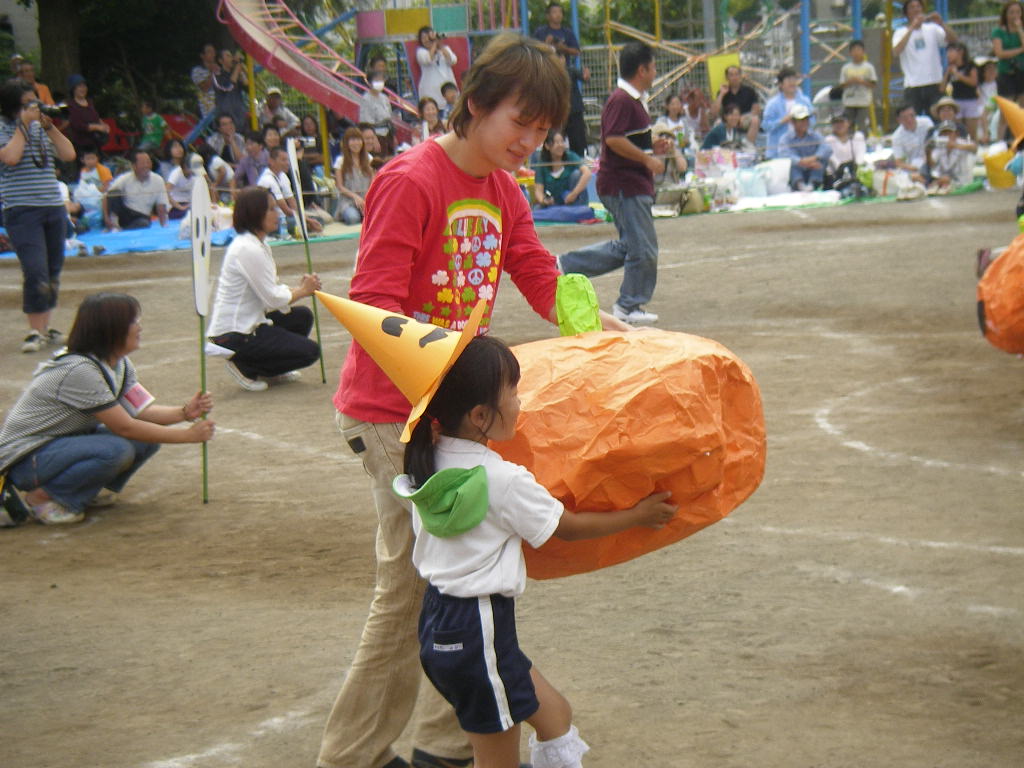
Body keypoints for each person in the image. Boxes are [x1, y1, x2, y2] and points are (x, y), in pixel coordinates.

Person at [316, 32, 630, 768]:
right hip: (392, 415)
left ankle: (445, 745)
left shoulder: (503, 189)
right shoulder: (410, 179)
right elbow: (376, 306)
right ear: (477, 104)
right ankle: (351, 757)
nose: (531, 141)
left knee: (451, 586)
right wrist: (445, 390)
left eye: (545, 130)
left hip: (444, 415)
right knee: (411, 595)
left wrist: (597, 325)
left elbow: (534, 268)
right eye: (520, 122)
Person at [392, 334, 676, 768]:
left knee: (555, 713)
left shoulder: (427, 460)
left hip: (444, 623)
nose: (521, 402)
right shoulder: (502, 479)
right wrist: (638, 515)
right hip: (479, 627)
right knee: (497, 761)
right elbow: (570, 528)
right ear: (481, 416)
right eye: (513, 393)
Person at [0, 293, 215, 525]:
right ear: (111, 329)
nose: (140, 327)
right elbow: (125, 427)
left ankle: (82, 490)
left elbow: (140, 411)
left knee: (146, 439)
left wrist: (183, 413)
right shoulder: (80, 370)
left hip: (56, 448)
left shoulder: (119, 363)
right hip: (24, 458)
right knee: (115, 450)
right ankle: (44, 498)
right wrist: (187, 436)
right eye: (134, 321)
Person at [559, 42, 666, 325]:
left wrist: (652, 146)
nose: (655, 72)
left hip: (630, 183)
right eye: (653, 67)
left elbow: (627, 138)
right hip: (625, 185)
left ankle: (566, 265)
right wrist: (647, 159)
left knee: (631, 246)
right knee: (643, 248)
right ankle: (628, 305)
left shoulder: (632, 100)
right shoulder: (622, 99)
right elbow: (614, 139)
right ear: (641, 69)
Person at [205, 186, 321, 391]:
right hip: (236, 332)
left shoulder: (258, 245)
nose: (277, 214)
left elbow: (271, 291)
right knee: (310, 351)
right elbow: (273, 300)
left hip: (253, 323)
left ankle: (271, 370)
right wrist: (303, 290)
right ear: (255, 213)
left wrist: (300, 288)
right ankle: (244, 365)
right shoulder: (247, 248)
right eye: (271, 209)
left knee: (301, 316)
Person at [0, 80, 77, 353]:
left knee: (53, 270)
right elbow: (9, 157)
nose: (33, 108)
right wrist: (23, 125)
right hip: (21, 209)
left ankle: (45, 328)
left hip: (52, 206)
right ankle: (34, 330)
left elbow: (68, 153)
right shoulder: (4, 128)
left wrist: (49, 125)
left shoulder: (40, 128)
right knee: (35, 270)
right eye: (27, 104)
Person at [892, 0, 957, 116]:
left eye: (918, 6)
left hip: (934, 82)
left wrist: (941, 23)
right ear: (906, 13)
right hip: (913, 85)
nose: (916, 9)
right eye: (912, 7)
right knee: (912, 119)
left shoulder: (932, 29)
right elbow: (896, 51)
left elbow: (953, 40)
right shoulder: (900, 32)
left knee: (937, 119)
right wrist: (912, 28)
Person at [103, 148, 169, 231]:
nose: (146, 165)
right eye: (142, 163)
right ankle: (114, 225)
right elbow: (106, 196)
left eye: (148, 162)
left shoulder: (158, 180)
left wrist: (163, 226)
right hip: (125, 213)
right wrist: (106, 218)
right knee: (114, 193)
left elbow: (161, 206)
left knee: (143, 223)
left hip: (142, 216)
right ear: (134, 166)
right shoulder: (124, 178)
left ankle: (121, 229)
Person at [762, 66, 815, 159]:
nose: (792, 83)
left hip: (801, 150)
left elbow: (813, 121)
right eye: (788, 80)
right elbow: (765, 126)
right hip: (778, 152)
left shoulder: (805, 101)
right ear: (780, 84)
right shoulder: (772, 104)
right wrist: (783, 120)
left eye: (794, 79)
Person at [533, 129, 590, 207]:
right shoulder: (542, 164)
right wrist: (543, 200)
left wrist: (574, 194)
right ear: (547, 146)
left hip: (572, 201)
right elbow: (538, 190)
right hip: (553, 205)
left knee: (577, 174)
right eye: (556, 142)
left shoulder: (571, 157)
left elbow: (587, 173)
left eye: (562, 141)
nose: (560, 145)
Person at [779, 105, 831, 191]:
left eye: (806, 119)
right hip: (797, 170)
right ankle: (800, 185)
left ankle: (813, 185)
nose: (805, 122)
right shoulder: (785, 139)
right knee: (790, 165)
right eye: (801, 120)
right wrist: (802, 162)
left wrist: (814, 158)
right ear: (793, 122)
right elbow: (785, 155)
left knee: (822, 160)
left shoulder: (815, 135)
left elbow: (827, 148)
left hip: (813, 168)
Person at [993, 1, 1024, 138]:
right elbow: (1000, 53)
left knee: (1021, 109)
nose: (1015, 15)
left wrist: (1019, 30)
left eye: (1018, 12)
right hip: (1006, 73)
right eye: (1011, 12)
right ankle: (1000, 141)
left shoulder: (1021, 30)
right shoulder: (998, 31)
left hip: (1021, 72)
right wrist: (1020, 50)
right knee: (1005, 112)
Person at [332, 126, 374, 225]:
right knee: (352, 218)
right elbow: (340, 186)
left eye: (358, 139)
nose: (356, 143)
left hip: (366, 199)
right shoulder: (340, 161)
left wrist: (366, 199)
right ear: (347, 143)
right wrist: (355, 197)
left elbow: (373, 182)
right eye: (352, 140)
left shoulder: (369, 159)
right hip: (348, 201)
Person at [711, 65, 761, 145]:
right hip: (729, 119)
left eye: (737, 74)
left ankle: (748, 146)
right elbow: (714, 113)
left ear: (740, 76)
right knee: (718, 122)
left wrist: (743, 117)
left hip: (745, 119)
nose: (734, 77)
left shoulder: (749, 91)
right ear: (727, 78)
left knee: (755, 120)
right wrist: (721, 94)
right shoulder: (723, 92)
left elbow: (756, 110)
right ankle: (722, 146)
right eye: (731, 75)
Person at [943, 42, 981, 140]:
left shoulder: (970, 65)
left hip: (970, 100)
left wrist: (958, 75)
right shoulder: (950, 68)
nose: (948, 54)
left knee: (972, 131)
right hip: (956, 100)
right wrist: (947, 73)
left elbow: (974, 82)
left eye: (951, 51)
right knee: (959, 131)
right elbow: (942, 88)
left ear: (960, 52)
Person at [66, 74, 109, 158]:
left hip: (96, 142)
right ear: (73, 89)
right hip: (82, 144)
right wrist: (96, 127)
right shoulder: (71, 105)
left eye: (84, 85)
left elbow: (96, 117)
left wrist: (103, 125)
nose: (83, 88)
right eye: (79, 86)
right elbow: (78, 126)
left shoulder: (90, 102)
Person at [839, 40, 877, 134]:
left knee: (862, 125)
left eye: (859, 50)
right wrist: (850, 81)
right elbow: (841, 85)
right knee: (848, 125)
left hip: (863, 101)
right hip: (849, 101)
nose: (856, 53)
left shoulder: (868, 67)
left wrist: (861, 82)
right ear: (850, 53)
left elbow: (873, 84)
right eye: (854, 50)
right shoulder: (846, 68)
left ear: (863, 52)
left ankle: (862, 143)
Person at [890, 102, 933, 184]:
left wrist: (928, 158)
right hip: (914, 165)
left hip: (932, 158)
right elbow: (899, 162)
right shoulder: (897, 137)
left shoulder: (926, 123)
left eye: (912, 116)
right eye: (905, 118)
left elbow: (934, 141)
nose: (909, 120)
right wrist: (915, 168)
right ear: (899, 120)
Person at [415, 26, 458, 106]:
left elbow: (453, 60)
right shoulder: (420, 52)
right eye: (423, 38)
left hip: (448, 91)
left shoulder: (445, 49)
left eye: (429, 37)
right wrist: (434, 43)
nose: (427, 40)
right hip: (430, 91)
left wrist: (440, 45)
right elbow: (428, 59)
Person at [927, 120, 974, 193]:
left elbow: (974, 148)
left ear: (956, 134)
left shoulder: (962, 143)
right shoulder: (940, 146)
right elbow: (932, 164)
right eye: (944, 133)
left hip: (961, 179)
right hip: (944, 178)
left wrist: (955, 145)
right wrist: (928, 152)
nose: (947, 135)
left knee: (941, 181)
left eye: (949, 132)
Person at [823, 112, 866, 187]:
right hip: (836, 176)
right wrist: (843, 169)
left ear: (848, 123)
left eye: (841, 122)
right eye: (835, 122)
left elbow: (860, 156)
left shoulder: (858, 136)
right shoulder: (828, 140)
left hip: (855, 172)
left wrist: (856, 168)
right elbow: (833, 160)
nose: (839, 125)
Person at [213, 49, 249, 131]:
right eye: (228, 56)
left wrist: (241, 70)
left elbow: (247, 87)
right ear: (220, 61)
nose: (232, 58)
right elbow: (228, 87)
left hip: (240, 115)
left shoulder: (236, 74)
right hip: (226, 117)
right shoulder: (217, 76)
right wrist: (237, 68)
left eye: (231, 56)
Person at [164, 141, 198, 221]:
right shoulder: (176, 172)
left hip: (189, 204)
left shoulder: (195, 173)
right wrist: (179, 207)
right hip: (175, 206)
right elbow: (165, 192)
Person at [192, 43, 219, 119]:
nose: (213, 54)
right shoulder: (197, 71)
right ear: (202, 55)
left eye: (214, 52)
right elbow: (204, 88)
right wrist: (212, 73)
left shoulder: (219, 69)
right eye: (209, 52)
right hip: (207, 111)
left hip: (221, 108)